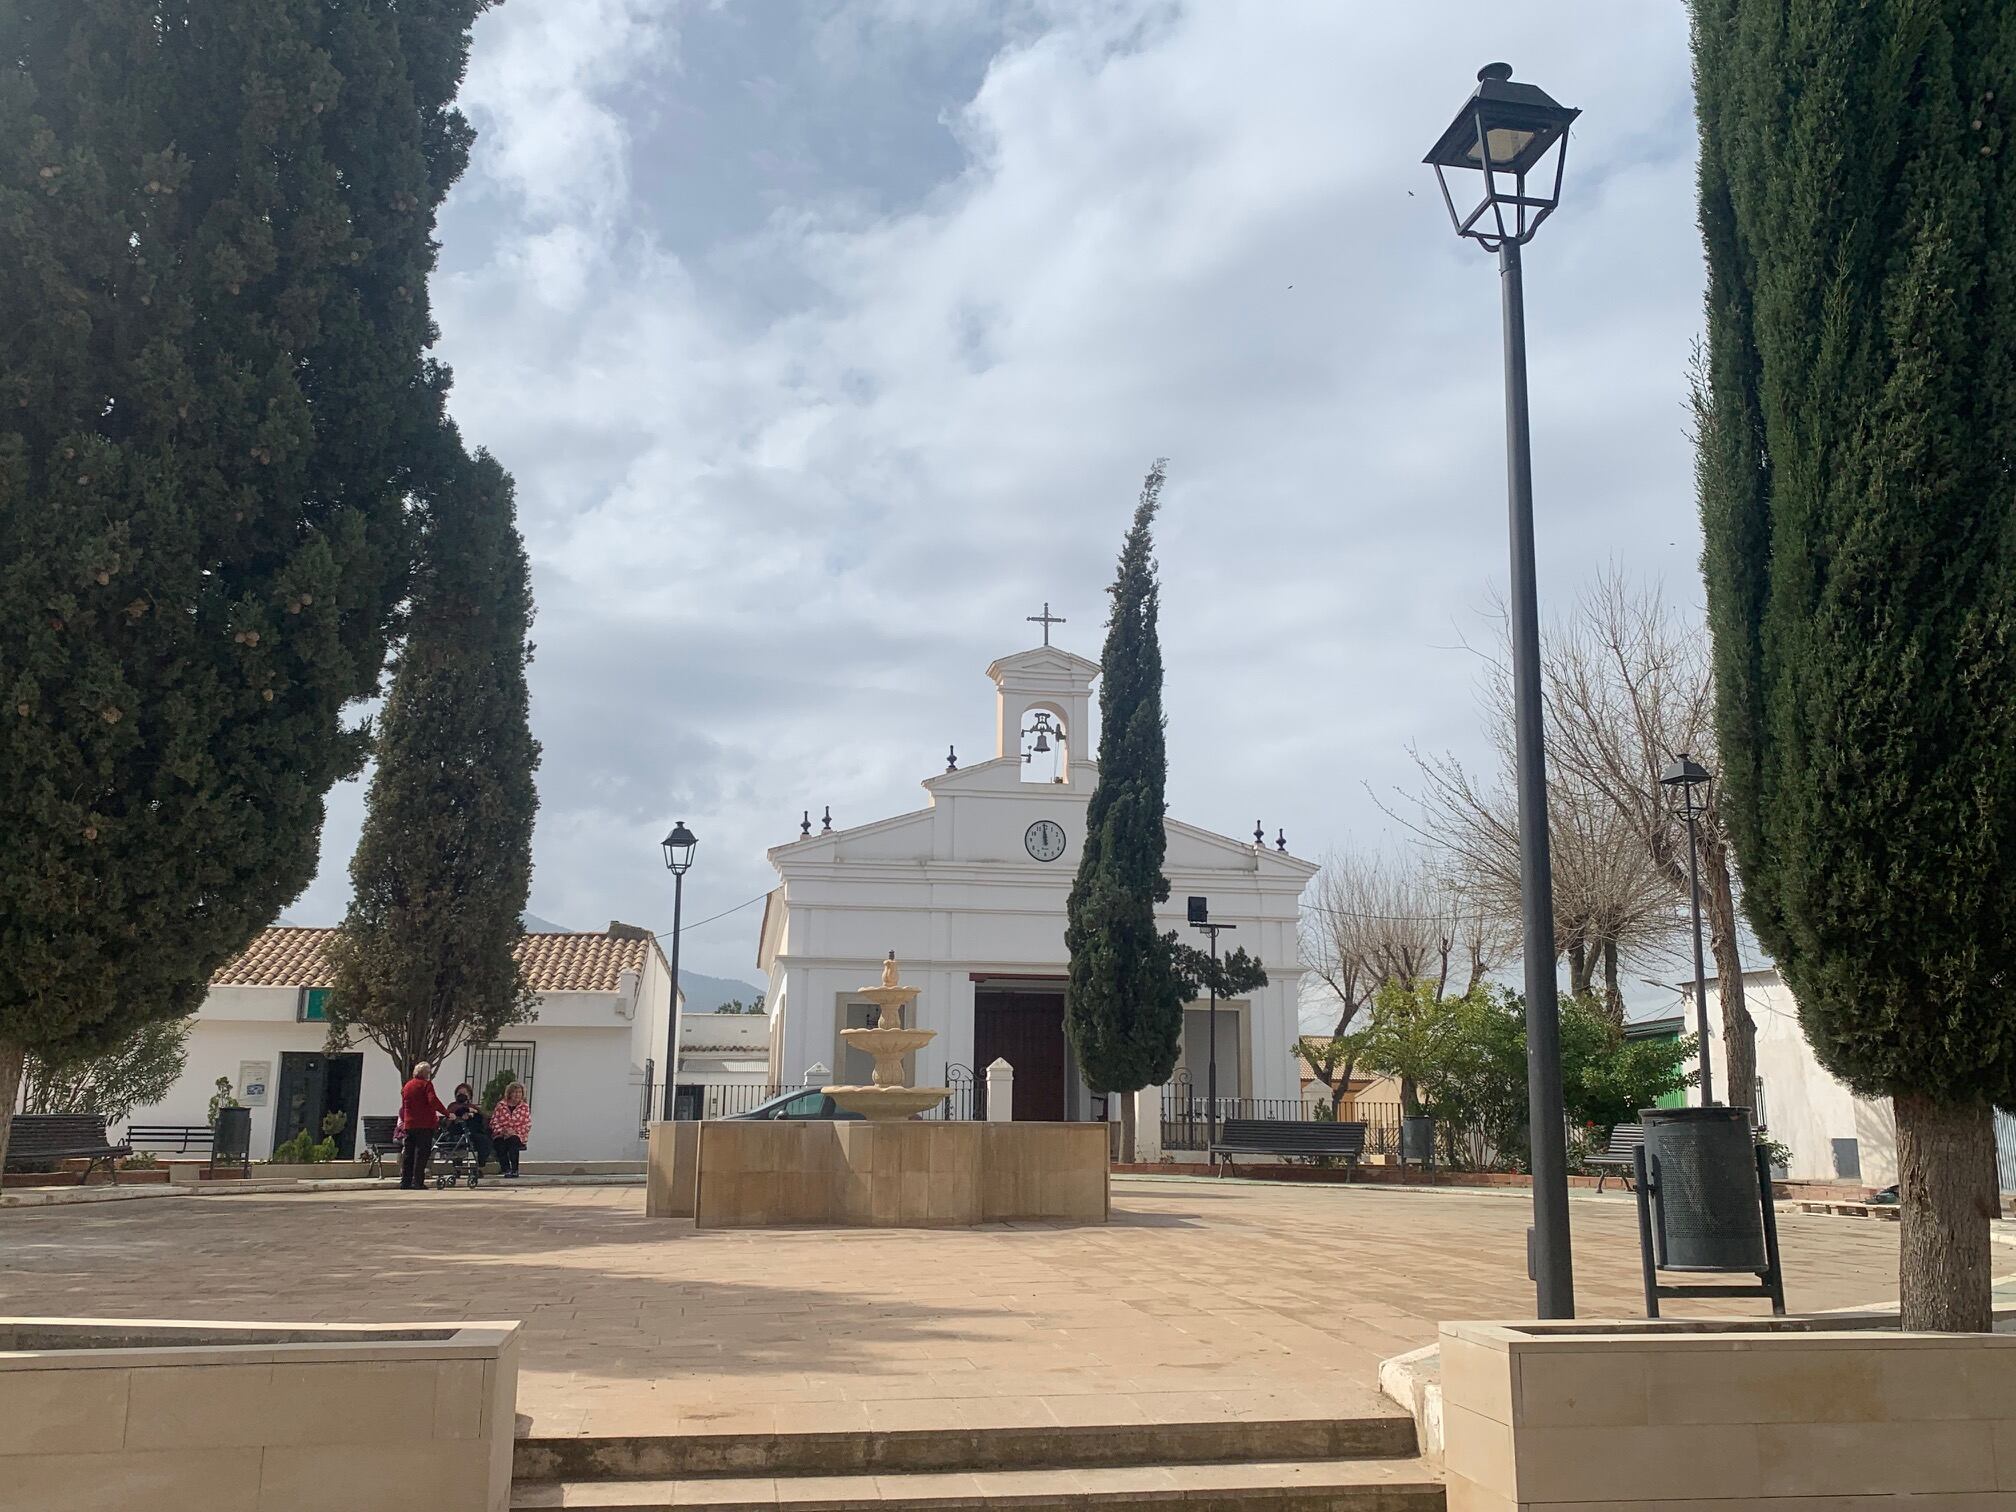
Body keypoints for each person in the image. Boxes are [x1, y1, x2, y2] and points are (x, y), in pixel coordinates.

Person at [399, 1061, 448, 1189]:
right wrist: (446, 1113)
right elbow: (433, 1100)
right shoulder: (426, 1085)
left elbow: (404, 1105)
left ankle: (405, 1181)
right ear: (426, 1073)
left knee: (409, 1154)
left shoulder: (407, 1086)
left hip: (410, 1124)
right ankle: (417, 1182)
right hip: (424, 1124)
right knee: (421, 1154)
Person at [444, 1082, 493, 1170]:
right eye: (459, 1093)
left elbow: (482, 1119)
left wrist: (472, 1114)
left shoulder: (474, 1107)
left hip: (473, 1132)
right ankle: (457, 1168)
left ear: (469, 1096)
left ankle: (480, 1165)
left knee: (484, 1140)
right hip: (458, 1131)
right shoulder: (453, 1106)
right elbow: (450, 1118)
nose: (461, 1095)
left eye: (464, 1093)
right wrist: (462, 1116)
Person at [488, 1082, 531, 1178]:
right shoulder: (501, 1106)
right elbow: (494, 1121)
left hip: (517, 1134)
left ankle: (514, 1169)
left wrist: (514, 1132)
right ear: (510, 1093)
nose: (517, 1094)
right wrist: (502, 1131)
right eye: (515, 1092)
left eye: (519, 1092)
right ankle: (506, 1169)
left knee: (513, 1142)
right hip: (501, 1134)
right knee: (499, 1144)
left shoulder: (524, 1107)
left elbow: (526, 1124)